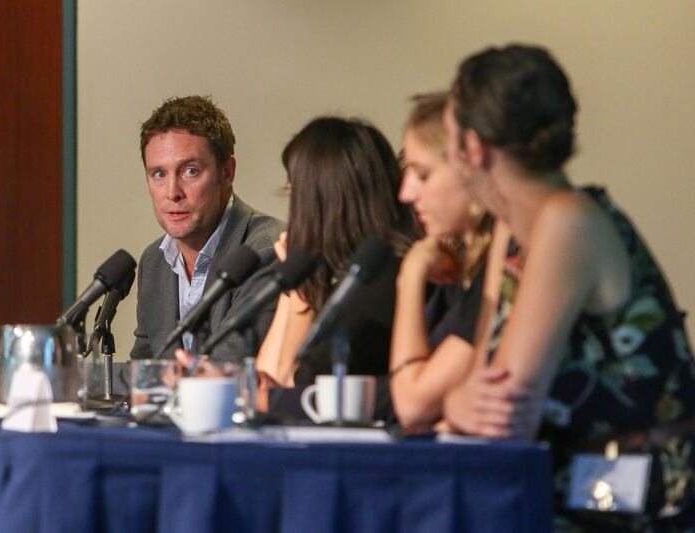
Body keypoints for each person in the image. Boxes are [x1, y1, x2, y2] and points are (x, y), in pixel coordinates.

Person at [441, 44, 695, 528]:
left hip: (633, 498)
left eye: (449, 145)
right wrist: (457, 400)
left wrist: (460, 401)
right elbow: (479, 383)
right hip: (575, 487)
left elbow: (505, 411)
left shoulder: (568, 220)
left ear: (473, 149)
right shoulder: (512, 233)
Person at [250, 116, 420, 417]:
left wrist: (300, 291)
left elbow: (288, 393)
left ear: (321, 201)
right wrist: (296, 289)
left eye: (294, 195)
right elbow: (267, 381)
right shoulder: (345, 278)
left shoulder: (377, 286)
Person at [130, 95, 285, 361]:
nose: (172, 192)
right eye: (159, 174)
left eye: (190, 171)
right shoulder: (154, 261)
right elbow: (141, 371)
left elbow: (228, 364)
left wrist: (155, 378)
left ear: (227, 173)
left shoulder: (266, 250)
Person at [388, 92, 493, 428]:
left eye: (422, 174)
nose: (406, 193)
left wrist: (411, 274)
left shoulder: (505, 262)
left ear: (468, 165)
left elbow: (412, 402)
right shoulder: (466, 264)